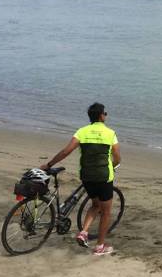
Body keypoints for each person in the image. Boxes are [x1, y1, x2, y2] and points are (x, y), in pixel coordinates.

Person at [41, 103, 121, 256]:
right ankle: (100, 246)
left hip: (86, 176)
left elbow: (66, 151)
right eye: (105, 113)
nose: (106, 115)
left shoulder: (82, 131)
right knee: (106, 212)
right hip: (104, 177)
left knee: (95, 204)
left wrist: (49, 164)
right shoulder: (110, 133)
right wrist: (113, 165)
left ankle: (83, 232)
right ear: (101, 116)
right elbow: (117, 157)